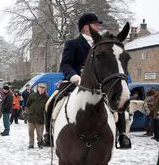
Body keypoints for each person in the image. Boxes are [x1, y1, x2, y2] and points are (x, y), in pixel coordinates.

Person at [42, 13, 131, 149]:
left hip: (99, 84)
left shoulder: (102, 44)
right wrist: (74, 76)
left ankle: (122, 134)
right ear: (86, 27)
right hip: (75, 81)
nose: (98, 27)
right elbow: (65, 64)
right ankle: (48, 134)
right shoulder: (73, 44)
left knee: (116, 102)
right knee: (51, 102)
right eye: (96, 24)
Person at [27, 83, 49, 148]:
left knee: (40, 133)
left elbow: (47, 108)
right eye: (40, 88)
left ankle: (40, 143)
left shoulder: (46, 97)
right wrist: (29, 112)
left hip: (40, 118)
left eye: (43, 88)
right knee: (30, 132)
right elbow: (28, 104)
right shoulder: (32, 95)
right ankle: (31, 144)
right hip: (31, 117)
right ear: (38, 88)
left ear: (45, 89)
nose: (42, 89)